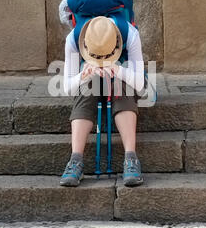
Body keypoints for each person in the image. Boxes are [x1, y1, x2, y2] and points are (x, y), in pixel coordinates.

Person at [60, 13, 145, 188]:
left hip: (124, 81)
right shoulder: (73, 39)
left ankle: (131, 158)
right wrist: (84, 76)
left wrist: (118, 70)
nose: (101, 60)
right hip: (92, 81)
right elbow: (67, 87)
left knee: (125, 87)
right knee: (87, 86)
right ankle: (75, 160)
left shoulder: (130, 33)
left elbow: (140, 83)